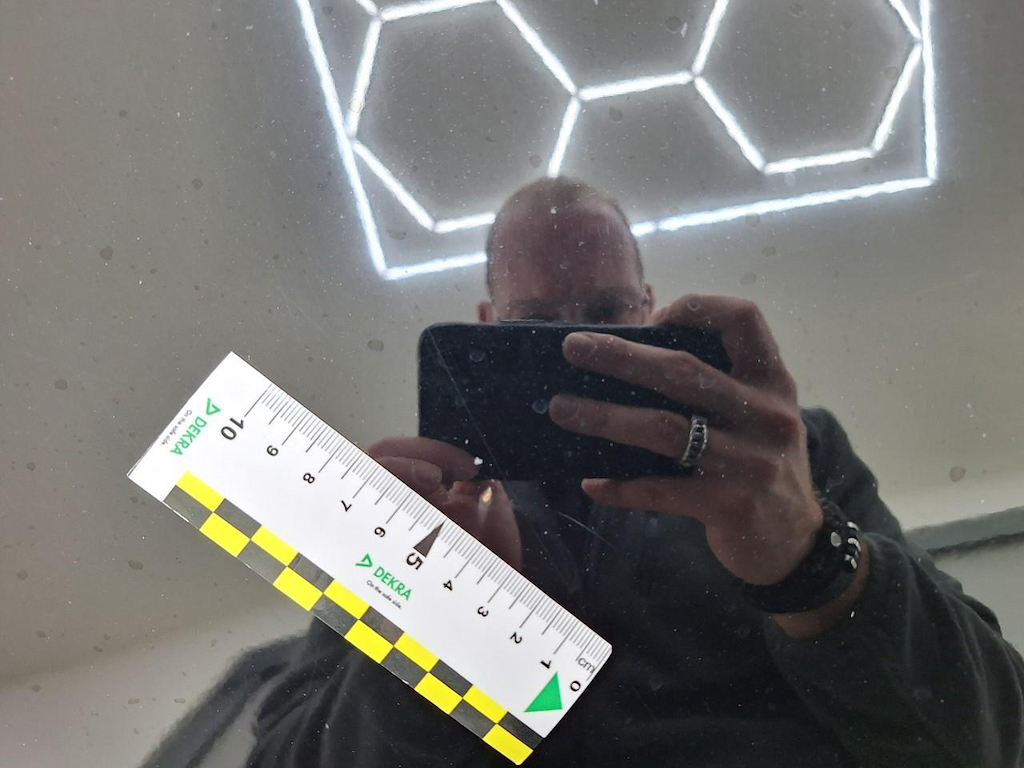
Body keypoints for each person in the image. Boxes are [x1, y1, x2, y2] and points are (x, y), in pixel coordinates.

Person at [248, 178, 1024, 767]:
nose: (572, 347)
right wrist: (447, 618)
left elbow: (990, 735)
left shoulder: (787, 454)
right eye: (537, 324)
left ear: (650, 311)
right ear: (489, 326)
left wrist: (807, 558)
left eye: (604, 312)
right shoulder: (417, 512)